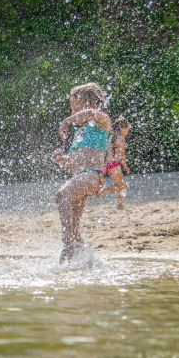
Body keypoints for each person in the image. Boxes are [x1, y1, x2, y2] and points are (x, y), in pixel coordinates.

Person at [51, 82, 111, 262]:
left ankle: (67, 244)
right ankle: (84, 260)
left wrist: (67, 121)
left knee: (62, 195)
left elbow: (91, 114)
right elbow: (76, 161)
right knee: (75, 230)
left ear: (93, 105)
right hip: (80, 178)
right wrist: (63, 160)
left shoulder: (102, 121)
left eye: (76, 110)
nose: (73, 115)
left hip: (93, 176)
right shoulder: (81, 133)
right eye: (72, 111)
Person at [96, 116, 131, 210]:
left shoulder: (112, 137)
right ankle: (101, 191)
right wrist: (125, 166)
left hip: (109, 165)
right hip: (115, 164)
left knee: (121, 185)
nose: (127, 132)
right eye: (126, 130)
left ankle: (120, 204)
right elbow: (122, 154)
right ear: (121, 128)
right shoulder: (121, 138)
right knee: (122, 185)